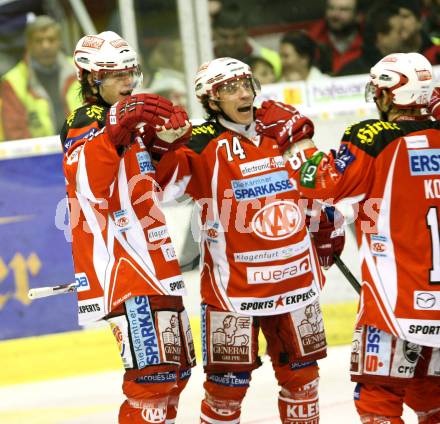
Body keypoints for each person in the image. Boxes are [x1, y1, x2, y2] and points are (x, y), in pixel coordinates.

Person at [153, 57, 345, 423]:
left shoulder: (281, 133)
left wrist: (324, 223)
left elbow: (320, 187)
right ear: (210, 100)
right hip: (234, 292)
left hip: (295, 283)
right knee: (226, 392)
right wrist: (162, 145)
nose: (243, 94)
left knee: (303, 383)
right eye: (229, 89)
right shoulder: (199, 144)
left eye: (246, 84)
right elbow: (158, 191)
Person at [273, 52, 440, 423]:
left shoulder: (372, 137)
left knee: (377, 397)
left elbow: (322, 185)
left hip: (393, 307)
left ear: (389, 96)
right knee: (432, 397)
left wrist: (298, 145)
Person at [61, 31, 196, 423]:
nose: (127, 82)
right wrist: (116, 130)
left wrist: (169, 148)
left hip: (157, 261)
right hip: (123, 268)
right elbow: (88, 186)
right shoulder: (84, 120)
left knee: (176, 375)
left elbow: (164, 191)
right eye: (115, 74)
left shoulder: (132, 123)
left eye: (130, 73)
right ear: (90, 78)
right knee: (150, 381)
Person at [0, 15, 82, 141]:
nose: (45, 46)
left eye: (51, 39)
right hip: (37, 156)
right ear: (28, 44)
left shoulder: (80, 70)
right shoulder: (12, 82)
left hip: (81, 148)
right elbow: (16, 135)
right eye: (39, 41)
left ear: (60, 41)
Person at [211, 5, 282, 80]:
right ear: (213, 33)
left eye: (237, 36)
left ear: (247, 32)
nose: (231, 42)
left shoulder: (271, 59)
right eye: (224, 36)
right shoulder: (201, 60)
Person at [308, 0, 364, 75]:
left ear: (358, 16)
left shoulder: (370, 42)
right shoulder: (312, 41)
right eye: (331, 8)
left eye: (344, 10)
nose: (335, 15)